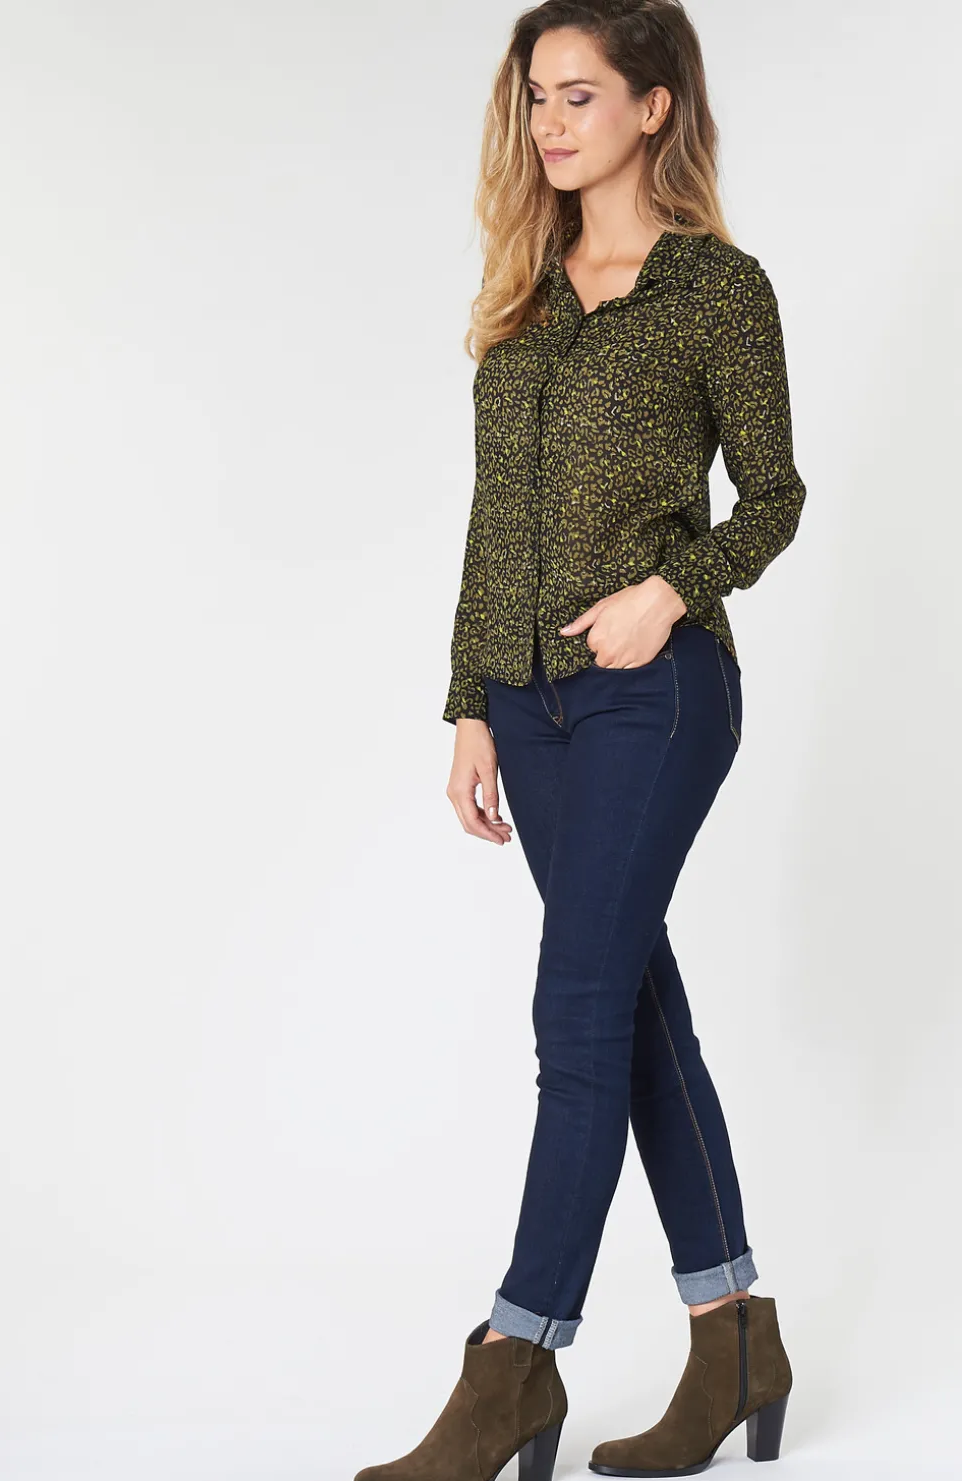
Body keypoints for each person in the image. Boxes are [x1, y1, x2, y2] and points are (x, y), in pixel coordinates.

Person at [353, 3, 804, 1479]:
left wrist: (670, 592)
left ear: (654, 106)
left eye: (580, 95)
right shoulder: (528, 298)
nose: (550, 124)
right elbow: (495, 522)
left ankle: (514, 1358)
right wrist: (469, 702)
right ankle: (735, 1334)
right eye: (536, 98)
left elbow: (776, 497)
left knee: (577, 1011)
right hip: (531, 709)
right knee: (631, 1005)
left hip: (655, 696)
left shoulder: (717, 289)